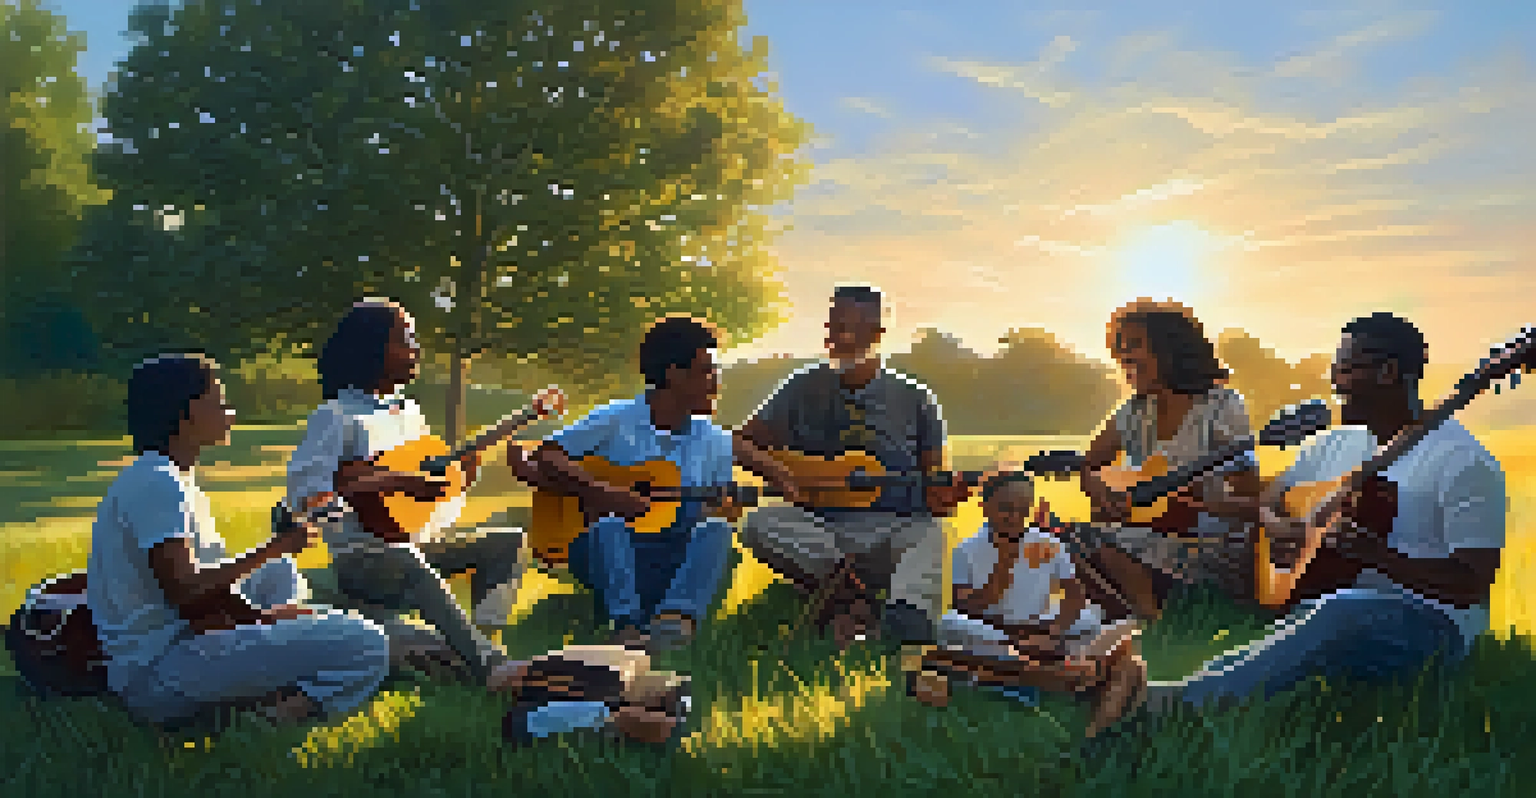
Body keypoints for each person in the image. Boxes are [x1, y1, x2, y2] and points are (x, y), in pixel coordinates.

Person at [1147, 312, 1506, 711]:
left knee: (1338, 613)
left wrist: (1380, 558)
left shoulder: (1463, 461)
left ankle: (1173, 706)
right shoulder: (1333, 444)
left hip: (1430, 627)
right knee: (1306, 611)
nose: (1334, 381)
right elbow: (1270, 499)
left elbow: (1471, 585)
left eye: (1346, 369)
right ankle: (1167, 684)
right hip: (1329, 603)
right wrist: (1281, 528)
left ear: (1388, 372)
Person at [86, 354, 390, 726]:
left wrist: (260, 616)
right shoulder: (157, 482)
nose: (230, 412)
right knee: (368, 644)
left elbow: (201, 593)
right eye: (219, 401)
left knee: (279, 572)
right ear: (187, 413)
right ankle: (270, 718)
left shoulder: (169, 477)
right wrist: (276, 547)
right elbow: (184, 589)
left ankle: (273, 671)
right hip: (159, 671)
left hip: (189, 636)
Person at [287, 298, 525, 688]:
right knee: (403, 554)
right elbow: (305, 496)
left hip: (413, 550)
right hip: (361, 560)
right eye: (406, 338)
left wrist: (460, 478)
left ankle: (479, 639)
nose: (416, 348)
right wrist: (393, 481)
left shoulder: (409, 413)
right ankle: (488, 666)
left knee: (507, 541)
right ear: (372, 348)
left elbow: (421, 504)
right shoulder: (336, 416)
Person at [734, 285, 971, 647]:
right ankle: (855, 602)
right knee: (758, 522)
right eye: (832, 327)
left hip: (891, 534)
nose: (837, 338)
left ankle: (905, 619)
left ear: (877, 335)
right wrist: (778, 472)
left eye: (848, 329)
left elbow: (935, 493)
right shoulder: (801, 387)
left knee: (933, 534)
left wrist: (946, 496)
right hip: (820, 533)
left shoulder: (916, 399)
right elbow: (739, 442)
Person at [519, 315, 741, 652]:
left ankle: (675, 620)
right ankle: (626, 625)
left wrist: (725, 507)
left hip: (670, 559)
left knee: (718, 530)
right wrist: (605, 493)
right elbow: (548, 455)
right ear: (673, 374)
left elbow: (713, 511)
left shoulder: (716, 440)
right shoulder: (616, 418)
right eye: (705, 372)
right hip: (607, 556)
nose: (715, 383)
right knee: (609, 527)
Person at [1066, 299, 1262, 618]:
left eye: (1135, 345)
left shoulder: (1220, 404)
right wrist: (1104, 495)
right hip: (1145, 540)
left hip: (1211, 545)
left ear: (1169, 348)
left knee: (1100, 542)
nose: (1124, 356)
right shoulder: (1134, 411)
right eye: (1120, 348)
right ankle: (1129, 617)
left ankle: (1151, 623)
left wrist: (1202, 498)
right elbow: (1090, 465)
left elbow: (1248, 492)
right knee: (1065, 539)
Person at [937, 473, 1145, 736]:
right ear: (985, 506)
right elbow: (967, 607)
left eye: (1022, 511)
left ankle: (1058, 660)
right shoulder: (967, 550)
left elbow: (1074, 596)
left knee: (1118, 624)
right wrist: (1003, 565)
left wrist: (1054, 631)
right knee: (949, 625)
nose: (1013, 517)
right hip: (992, 629)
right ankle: (1052, 666)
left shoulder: (1047, 545)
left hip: (1039, 625)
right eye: (1005, 509)